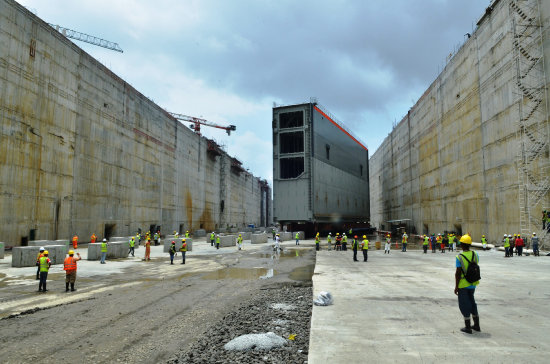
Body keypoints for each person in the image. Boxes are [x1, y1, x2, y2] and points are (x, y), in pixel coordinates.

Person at [454, 234, 480, 334]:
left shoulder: (459, 257)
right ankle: (476, 325)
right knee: (472, 302)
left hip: (463, 284)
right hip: (473, 283)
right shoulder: (475, 254)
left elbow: (458, 273)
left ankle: (468, 327)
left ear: (461, 244)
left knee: (464, 304)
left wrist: (456, 286)